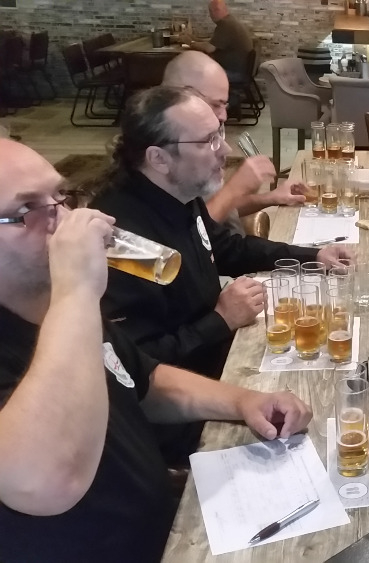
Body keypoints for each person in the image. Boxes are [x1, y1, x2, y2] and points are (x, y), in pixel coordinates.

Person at [0, 138, 313, 563]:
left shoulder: (55, 307)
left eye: (60, 197)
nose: (67, 220)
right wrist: (78, 290)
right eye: (27, 209)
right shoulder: (69, 305)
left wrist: (243, 400)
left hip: (174, 530)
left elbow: (143, 378)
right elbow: (46, 481)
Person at [90, 86, 353, 380]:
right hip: (194, 385)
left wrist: (314, 256)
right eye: (208, 141)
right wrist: (221, 319)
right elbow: (134, 363)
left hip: (219, 351)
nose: (226, 150)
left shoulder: (179, 193)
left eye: (220, 134)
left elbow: (227, 248)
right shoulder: (121, 240)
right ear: (159, 158)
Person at [162, 51, 305, 236]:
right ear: (182, 95)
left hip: (234, 246)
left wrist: (271, 197)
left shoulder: (202, 137)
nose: (224, 116)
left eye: (225, 105)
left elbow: (218, 206)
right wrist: (234, 188)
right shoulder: (166, 151)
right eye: (216, 104)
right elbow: (186, 238)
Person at [179, 0, 253, 80]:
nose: (213, 14)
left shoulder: (225, 24)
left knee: (194, 71)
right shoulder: (230, 21)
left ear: (225, 9)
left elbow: (210, 48)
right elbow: (213, 42)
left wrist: (190, 42)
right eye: (211, 11)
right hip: (239, 71)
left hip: (234, 73)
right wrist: (194, 38)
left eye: (216, 10)